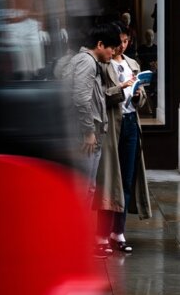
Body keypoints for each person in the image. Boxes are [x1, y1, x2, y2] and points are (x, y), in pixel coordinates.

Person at [65, 23, 121, 257]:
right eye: (111, 48)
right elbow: (80, 99)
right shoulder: (87, 62)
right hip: (87, 137)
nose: (113, 53)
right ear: (100, 45)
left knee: (84, 189)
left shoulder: (83, 61)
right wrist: (89, 131)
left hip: (86, 134)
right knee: (83, 190)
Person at [97, 25, 152, 254]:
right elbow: (99, 97)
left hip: (131, 124)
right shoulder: (103, 64)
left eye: (126, 41)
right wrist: (121, 88)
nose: (122, 45)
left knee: (127, 179)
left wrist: (139, 94)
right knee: (109, 180)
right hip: (112, 125)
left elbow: (141, 101)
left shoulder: (132, 64)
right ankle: (101, 234)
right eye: (119, 41)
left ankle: (118, 231)